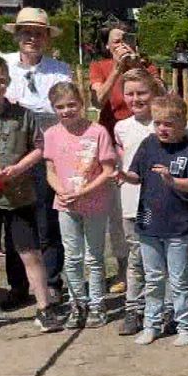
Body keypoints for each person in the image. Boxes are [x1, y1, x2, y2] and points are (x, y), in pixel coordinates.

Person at [0, 55, 63, 333]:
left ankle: (44, 307)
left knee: (29, 252)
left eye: (1, 80)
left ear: (8, 82)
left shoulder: (23, 115)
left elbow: (38, 147)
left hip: (19, 195)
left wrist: (20, 167)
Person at [114, 70, 188, 336]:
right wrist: (123, 175)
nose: (162, 128)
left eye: (168, 124)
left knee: (179, 279)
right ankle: (151, 324)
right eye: (158, 124)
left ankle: (184, 326)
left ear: (182, 124)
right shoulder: (148, 142)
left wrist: (172, 181)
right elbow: (136, 174)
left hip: (178, 222)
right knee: (153, 276)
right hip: (147, 219)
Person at [1, 8, 69, 306]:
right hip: (11, 153)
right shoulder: (3, 64)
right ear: (17, 35)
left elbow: (57, 107)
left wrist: (22, 106)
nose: (32, 38)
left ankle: (52, 281)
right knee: (13, 219)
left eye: (38, 33)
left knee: (47, 219)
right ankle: (18, 286)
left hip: (45, 153)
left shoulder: (59, 70)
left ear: (46, 38)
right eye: (26, 32)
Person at [43, 82, 116, 330]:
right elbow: (50, 171)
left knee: (93, 257)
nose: (66, 111)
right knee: (72, 257)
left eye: (71, 105)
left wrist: (83, 191)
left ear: (81, 103)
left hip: (94, 201)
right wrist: (60, 190)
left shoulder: (98, 132)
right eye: (60, 107)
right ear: (53, 109)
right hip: (65, 204)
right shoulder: (52, 134)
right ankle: (78, 303)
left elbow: (108, 170)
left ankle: (97, 304)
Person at [88, 25, 153, 293]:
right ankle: (125, 269)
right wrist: (117, 68)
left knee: (147, 204)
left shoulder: (144, 66)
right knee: (119, 212)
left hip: (145, 141)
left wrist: (136, 67)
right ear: (107, 47)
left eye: (126, 39)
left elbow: (161, 96)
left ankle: (150, 264)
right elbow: (97, 101)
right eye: (116, 42)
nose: (123, 44)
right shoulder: (100, 67)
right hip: (114, 145)